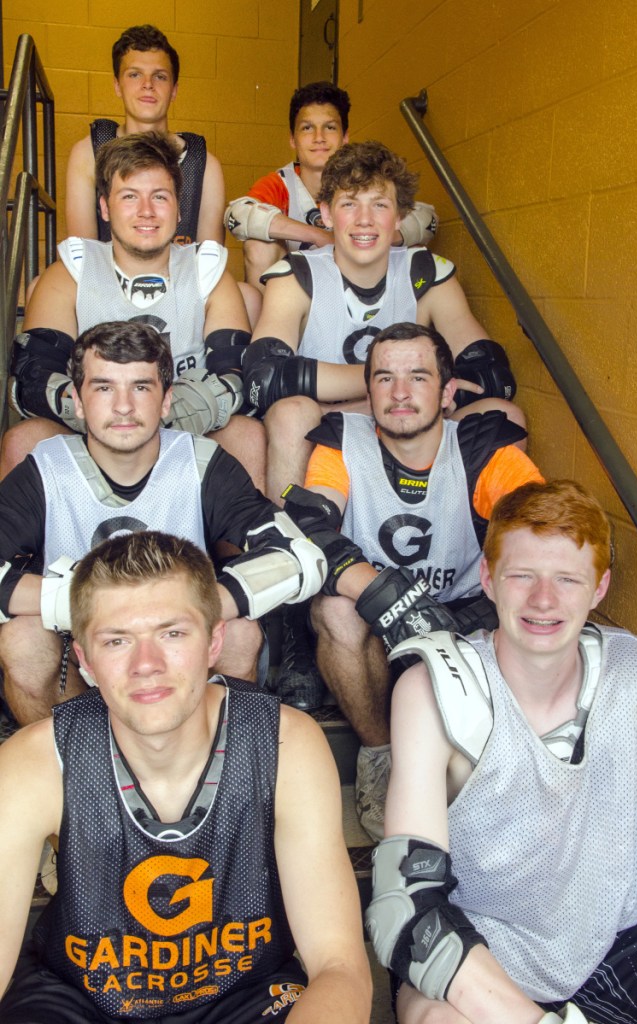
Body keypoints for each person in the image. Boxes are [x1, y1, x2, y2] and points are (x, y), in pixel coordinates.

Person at [0, 530, 372, 1023]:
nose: (146, 666)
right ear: (85, 661)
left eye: (172, 634)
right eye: (117, 641)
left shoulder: (285, 743)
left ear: (214, 641)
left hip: (244, 995)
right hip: (78, 998)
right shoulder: (38, 760)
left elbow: (339, 965)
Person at [366, 479, 637, 1024]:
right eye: (522, 576)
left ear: (599, 588)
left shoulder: (631, 674)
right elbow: (404, 906)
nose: (543, 601)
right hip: (487, 958)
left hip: (618, 939)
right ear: (488, 579)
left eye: (567, 579)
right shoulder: (437, 691)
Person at [0, 320, 342, 725]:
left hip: (181, 647)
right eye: (104, 387)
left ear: (166, 401)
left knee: (239, 634)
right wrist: (97, 606)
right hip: (83, 647)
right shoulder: (47, 467)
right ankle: (73, 774)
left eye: (141, 387)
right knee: (22, 641)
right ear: (77, 400)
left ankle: (211, 774)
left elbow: (300, 557)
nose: (123, 406)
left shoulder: (201, 463)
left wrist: (180, 608)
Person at [298, 323, 542, 838]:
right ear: (369, 391)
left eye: (418, 377)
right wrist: (387, 593)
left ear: (448, 393)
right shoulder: (342, 441)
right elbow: (310, 530)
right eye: (384, 378)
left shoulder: (482, 448)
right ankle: (380, 756)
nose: (400, 393)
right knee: (333, 609)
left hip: (462, 616)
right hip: (375, 622)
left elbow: (541, 531)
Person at [243, 139, 519, 503]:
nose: (364, 220)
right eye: (349, 204)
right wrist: (391, 384)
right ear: (325, 213)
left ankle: (484, 551)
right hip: (328, 425)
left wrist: (398, 398)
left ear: (400, 216)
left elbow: (493, 376)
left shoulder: (425, 274)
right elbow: (263, 378)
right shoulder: (297, 275)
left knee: (504, 414)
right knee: (290, 412)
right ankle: (291, 547)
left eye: (379, 204)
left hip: (409, 423)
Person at [2, 132, 265, 488]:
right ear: (105, 208)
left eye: (160, 196)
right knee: (23, 440)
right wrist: (110, 419)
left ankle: (256, 546)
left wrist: (157, 418)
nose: (146, 211)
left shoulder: (206, 268)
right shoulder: (74, 268)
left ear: (178, 207)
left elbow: (234, 377)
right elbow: (32, 377)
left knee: (245, 434)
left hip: (185, 427)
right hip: (90, 433)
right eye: (129, 197)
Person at [225, 81, 437, 293]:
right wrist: (318, 236)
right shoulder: (281, 184)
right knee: (259, 246)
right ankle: (269, 325)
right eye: (307, 128)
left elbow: (427, 220)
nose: (319, 138)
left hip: (355, 288)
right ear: (292, 139)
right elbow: (238, 215)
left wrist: (377, 235)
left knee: (413, 251)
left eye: (330, 127)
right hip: (294, 294)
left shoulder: (364, 178)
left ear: (345, 137)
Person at [66, 24, 225, 246]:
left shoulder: (203, 163)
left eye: (160, 76)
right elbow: (81, 254)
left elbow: (210, 262)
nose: (147, 85)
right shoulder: (89, 152)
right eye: (134, 74)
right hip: (103, 279)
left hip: (182, 279)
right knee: (40, 282)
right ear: (117, 85)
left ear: (174, 89)